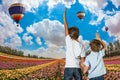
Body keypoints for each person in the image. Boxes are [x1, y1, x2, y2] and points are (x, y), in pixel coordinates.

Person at [63, 8, 85, 80]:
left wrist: (64, 15)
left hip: (69, 67)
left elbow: (66, 26)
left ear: (69, 34)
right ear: (78, 35)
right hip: (77, 68)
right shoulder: (81, 45)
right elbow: (82, 60)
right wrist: (84, 69)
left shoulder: (68, 40)